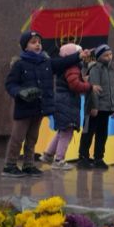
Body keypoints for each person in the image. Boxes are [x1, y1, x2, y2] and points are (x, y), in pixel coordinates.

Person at [43, 43, 100, 171]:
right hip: (67, 103)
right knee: (66, 133)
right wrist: (89, 86)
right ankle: (59, 160)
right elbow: (74, 85)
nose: (82, 56)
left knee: (62, 131)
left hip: (63, 101)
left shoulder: (68, 67)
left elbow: (73, 81)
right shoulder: (72, 67)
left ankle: (48, 155)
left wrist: (82, 80)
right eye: (79, 53)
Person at [78, 43, 114, 170]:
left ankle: (98, 158)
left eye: (110, 54)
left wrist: (113, 108)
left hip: (106, 108)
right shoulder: (95, 68)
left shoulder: (110, 70)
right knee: (88, 132)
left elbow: (112, 90)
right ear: (99, 56)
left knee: (102, 134)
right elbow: (94, 88)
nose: (109, 57)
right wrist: (94, 106)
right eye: (106, 55)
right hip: (94, 108)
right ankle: (83, 157)